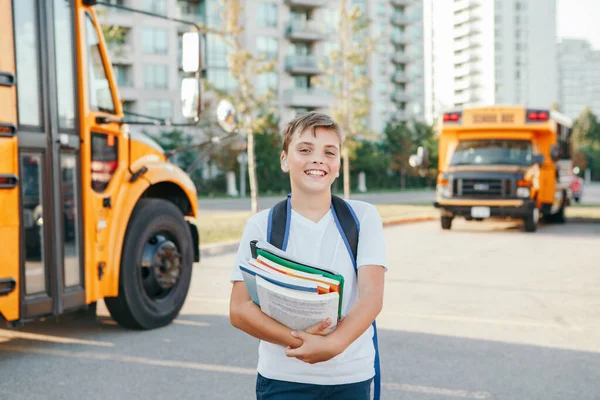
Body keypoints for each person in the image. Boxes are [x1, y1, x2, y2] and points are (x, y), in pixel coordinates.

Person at [229, 111, 387, 400]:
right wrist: (302, 342)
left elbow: (371, 296)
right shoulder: (262, 225)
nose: (318, 159)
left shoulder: (364, 217)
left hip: (350, 376)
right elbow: (239, 310)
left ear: (338, 166)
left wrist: (335, 343)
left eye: (329, 152)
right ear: (285, 160)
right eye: (304, 150)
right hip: (283, 379)